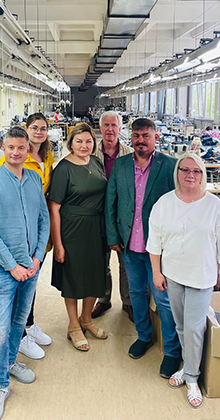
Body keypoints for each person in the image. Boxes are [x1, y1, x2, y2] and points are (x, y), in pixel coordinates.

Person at [148, 152, 220, 408]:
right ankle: (188, 366)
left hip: (201, 275)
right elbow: (155, 242)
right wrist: (156, 272)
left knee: (194, 327)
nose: (190, 175)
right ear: (177, 172)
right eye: (185, 170)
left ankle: (192, 378)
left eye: (196, 171)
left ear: (202, 175)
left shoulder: (213, 205)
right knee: (180, 325)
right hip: (173, 274)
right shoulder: (165, 203)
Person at [0, 127, 49, 420]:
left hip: (31, 267)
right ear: (3, 149)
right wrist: (12, 266)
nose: (16, 152)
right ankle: (0, 385)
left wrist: (37, 257)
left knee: (19, 322)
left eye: (21, 148)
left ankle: (9, 363)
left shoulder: (34, 178)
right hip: (3, 270)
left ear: (27, 150)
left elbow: (43, 219)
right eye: (11, 147)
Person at [105, 118, 181, 378]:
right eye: (136, 136)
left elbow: (178, 206)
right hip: (129, 244)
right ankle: (144, 336)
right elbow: (111, 201)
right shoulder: (121, 165)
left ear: (155, 138)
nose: (140, 141)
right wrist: (113, 235)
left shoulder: (169, 166)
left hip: (158, 250)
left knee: (163, 299)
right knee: (136, 293)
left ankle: (171, 350)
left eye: (146, 136)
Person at [48, 123, 108, 352]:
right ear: (70, 143)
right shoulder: (63, 169)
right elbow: (54, 208)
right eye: (79, 141)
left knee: (95, 275)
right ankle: (73, 325)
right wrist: (58, 244)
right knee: (73, 278)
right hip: (72, 229)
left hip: (96, 227)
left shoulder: (95, 162)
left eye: (88, 141)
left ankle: (86, 320)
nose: (84, 145)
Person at [0, 113, 54, 360]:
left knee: (32, 280)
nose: (39, 132)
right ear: (26, 129)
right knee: (19, 284)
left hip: (38, 226)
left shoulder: (47, 156)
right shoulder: (14, 157)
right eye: (34, 128)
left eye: (43, 128)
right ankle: (19, 336)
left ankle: (29, 325)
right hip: (20, 228)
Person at [92, 111, 134, 322]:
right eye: (106, 125)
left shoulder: (130, 154)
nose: (110, 129)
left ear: (120, 128)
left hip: (123, 216)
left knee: (126, 262)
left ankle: (128, 302)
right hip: (98, 214)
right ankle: (104, 298)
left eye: (114, 125)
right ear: (100, 128)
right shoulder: (90, 153)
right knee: (101, 261)